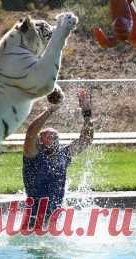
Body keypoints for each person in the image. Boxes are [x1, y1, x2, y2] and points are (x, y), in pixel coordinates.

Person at [22, 89, 94, 227]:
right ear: (40, 142)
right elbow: (31, 132)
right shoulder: (33, 157)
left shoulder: (63, 156)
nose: (55, 140)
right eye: (50, 137)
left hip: (54, 223)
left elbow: (86, 140)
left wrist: (86, 114)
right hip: (34, 222)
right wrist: (51, 110)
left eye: (56, 137)